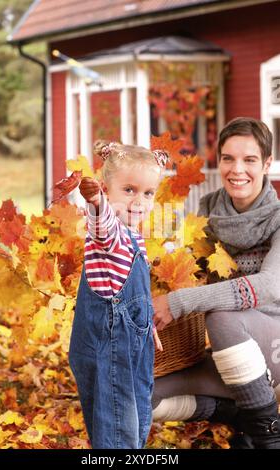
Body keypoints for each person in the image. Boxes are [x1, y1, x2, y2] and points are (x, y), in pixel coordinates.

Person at [152, 117, 280, 449]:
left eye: (250, 159)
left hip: (275, 344)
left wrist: (177, 304)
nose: (238, 169)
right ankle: (238, 414)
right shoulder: (205, 215)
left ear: (267, 163)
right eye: (228, 158)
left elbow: (266, 286)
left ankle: (268, 436)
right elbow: (184, 273)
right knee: (142, 392)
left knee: (222, 317)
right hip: (234, 355)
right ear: (219, 160)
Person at [69, 140, 167, 449]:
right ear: (106, 190)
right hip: (108, 348)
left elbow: (133, 294)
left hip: (131, 344)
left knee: (136, 411)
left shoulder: (136, 237)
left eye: (148, 193)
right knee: (117, 423)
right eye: (129, 190)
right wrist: (96, 203)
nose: (139, 201)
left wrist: (146, 324)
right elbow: (103, 225)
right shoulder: (108, 235)